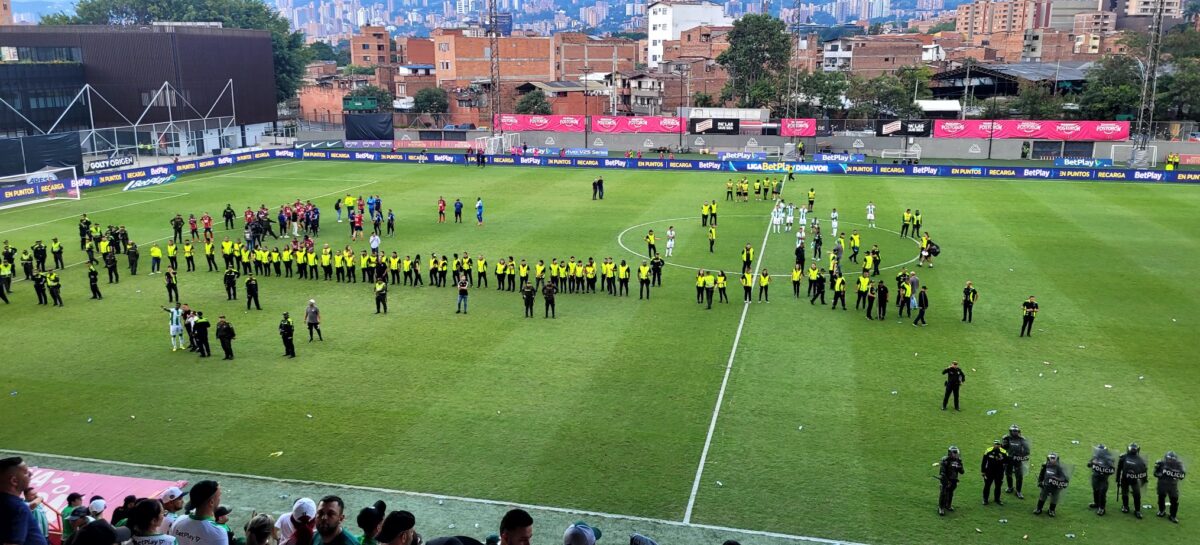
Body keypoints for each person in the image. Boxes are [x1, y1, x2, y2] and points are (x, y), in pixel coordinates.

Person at [168, 480, 226, 545]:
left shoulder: (179, 521)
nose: (220, 499)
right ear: (211, 502)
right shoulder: (218, 532)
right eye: (219, 496)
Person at [1118, 443, 1149, 518]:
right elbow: (1119, 469)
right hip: (1125, 479)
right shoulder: (1125, 457)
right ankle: (1125, 506)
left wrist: (1144, 480)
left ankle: (1137, 510)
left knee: (1136, 495)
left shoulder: (1138, 460)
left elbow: (1144, 471)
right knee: (1125, 493)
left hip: (1133, 480)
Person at [1033, 453, 1069, 517]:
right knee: (1042, 496)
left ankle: (1051, 510)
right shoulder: (1045, 466)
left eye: (1053, 459)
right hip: (1046, 485)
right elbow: (1041, 475)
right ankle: (1039, 509)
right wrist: (1040, 482)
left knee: (1054, 498)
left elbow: (1064, 478)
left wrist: (1057, 479)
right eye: (1051, 459)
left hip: (1055, 487)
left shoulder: (1059, 468)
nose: (1052, 461)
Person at [1154, 451, 1185, 522]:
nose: (1170, 461)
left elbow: (1182, 476)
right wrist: (1160, 474)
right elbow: (1155, 473)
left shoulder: (1179, 465)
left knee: (1174, 501)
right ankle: (1161, 511)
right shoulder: (1161, 463)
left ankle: (1173, 516)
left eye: (1171, 459)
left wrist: (1174, 473)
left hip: (1172, 486)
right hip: (1162, 485)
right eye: (1169, 459)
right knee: (1161, 498)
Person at [1003, 425, 1031, 499]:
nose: (1015, 432)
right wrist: (1004, 444)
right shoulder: (1007, 438)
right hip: (1009, 460)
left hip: (1018, 460)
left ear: (1018, 431)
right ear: (1010, 431)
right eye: (1013, 431)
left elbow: (1027, 451)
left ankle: (1018, 491)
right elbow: (1003, 449)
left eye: (1016, 431)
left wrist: (1021, 456)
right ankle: (1010, 487)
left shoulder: (1022, 439)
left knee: (1019, 476)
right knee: (1008, 474)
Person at [1088, 444, 1115, 516]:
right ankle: (1096, 503)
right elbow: (1088, 464)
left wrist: (1101, 466)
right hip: (1095, 477)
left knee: (1102, 493)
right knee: (1095, 491)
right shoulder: (1096, 456)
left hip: (1103, 479)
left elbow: (1112, 470)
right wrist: (1092, 462)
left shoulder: (1109, 459)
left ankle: (1102, 508)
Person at [938, 446, 964, 516]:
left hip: (954, 480)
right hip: (945, 480)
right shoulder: (945, 460)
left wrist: (960, 467)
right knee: (943, 493)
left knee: (950, 493)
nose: (956, 455)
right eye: (954, 453)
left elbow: (962, 472)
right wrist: (947, 481)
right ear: (950, 453)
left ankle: (948, 505)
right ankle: (941, 508)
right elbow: (942, 473)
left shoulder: (958, 461)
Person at [981, 440, 1008, 506]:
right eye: (996, 444)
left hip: (999, 472)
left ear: (1000, 445)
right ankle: (985, 499)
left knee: (998, 486)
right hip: (989, 471)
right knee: (987, 485)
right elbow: (984, 461)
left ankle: (997, 499)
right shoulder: (988, 451)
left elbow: (1007, 461)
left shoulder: (1004, 452)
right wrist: (983, 471)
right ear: (993, 445)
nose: (997, 445)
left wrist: (1001, 459)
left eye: (998, 444)